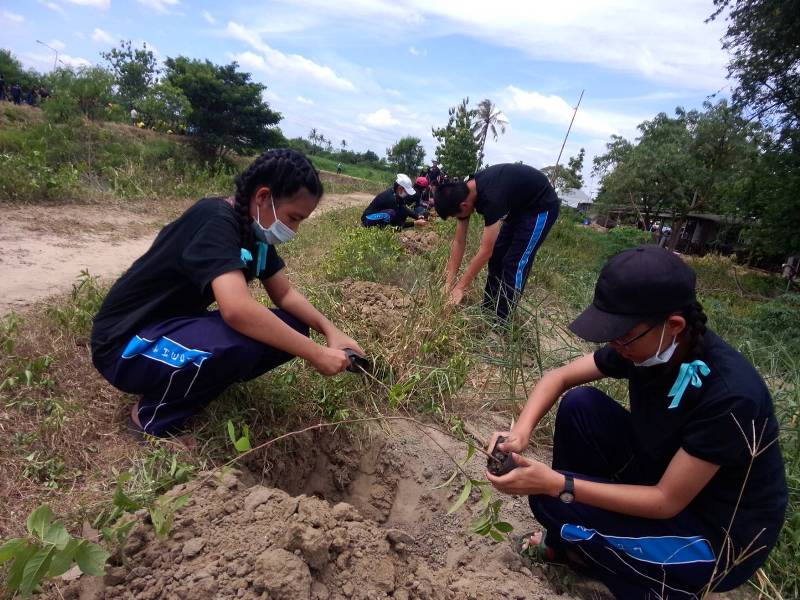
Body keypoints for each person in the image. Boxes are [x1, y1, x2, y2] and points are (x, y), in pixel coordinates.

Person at [486, 246, 787, 599]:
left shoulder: (730, 395)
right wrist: (520, 433)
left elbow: (665, 501)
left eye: (622, 335)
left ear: (674, 325)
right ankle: (575, 549)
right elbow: (559, 377)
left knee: (553, 502)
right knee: (581, 406)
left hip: (713, 539)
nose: (615, 344)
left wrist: (559, 484)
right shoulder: (646, 345)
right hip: (665, 477)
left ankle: (657, 587)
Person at [91, 149, 364, 438]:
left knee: (293, 326)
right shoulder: (215, 220)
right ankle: (148, 420)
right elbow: (236, 310)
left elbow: (285, 294)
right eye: (293, 218)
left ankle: (195, 381)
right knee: (240, 341)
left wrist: (330, 331)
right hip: (122, 346)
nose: (294, 229)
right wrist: (316, 354)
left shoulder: (253, 234)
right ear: (263, 197)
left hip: (166, 328)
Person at [434, 163, 559, 321]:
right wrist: (449, 283)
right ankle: (488, 309)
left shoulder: (491, 197)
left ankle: (502, 322)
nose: (458, 219)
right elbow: (459, 242)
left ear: (463, 206)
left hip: (540, 207)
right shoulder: (463, 193)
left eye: (455, 215)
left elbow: (486, 250)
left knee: (514, 262)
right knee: (497, 258)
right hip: (518, 208)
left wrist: (460, 288)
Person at [361, 173, 426, 228]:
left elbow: (404, 208)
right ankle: (380, 228)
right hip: (368, 218)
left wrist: (417, 216)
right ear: (400, 188)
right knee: (390, 214)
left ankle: (385, 227)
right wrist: (414, 223)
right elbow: (397, 224)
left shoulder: (396, 194)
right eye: (406, 192)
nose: (407, 194)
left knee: (403, 211)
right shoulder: (391, 198)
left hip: (378, 215)